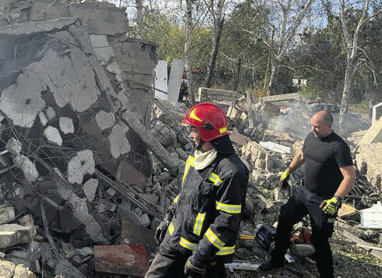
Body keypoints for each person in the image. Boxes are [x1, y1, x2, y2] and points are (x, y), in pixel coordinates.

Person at [145, 102, 249, 278]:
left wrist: (199, 258)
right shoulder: (197, 157)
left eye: (194, 129)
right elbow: (185, 194)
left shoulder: (232, 172)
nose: (190, 134)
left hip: (203, 255)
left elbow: (226, 222)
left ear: (207, 132)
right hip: (174, 242)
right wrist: (168, 218)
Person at [259, 111, 356, 277]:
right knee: (284, 218)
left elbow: (349, 177)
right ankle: (277, 260)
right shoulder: (311, 137)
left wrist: (336, 199)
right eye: (312, 126)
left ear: (329, 126)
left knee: (320, 240)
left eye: (317, 127)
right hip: (304, 193)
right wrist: (288, 171)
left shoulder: (339, 146)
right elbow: (302, 155)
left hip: (323, 201)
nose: (313, 129)